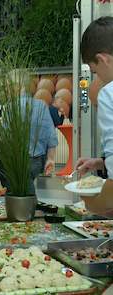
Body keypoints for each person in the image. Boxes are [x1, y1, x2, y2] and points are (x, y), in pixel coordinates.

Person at [74, 16, 113, 216]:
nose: (98, 78)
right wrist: (101, 162)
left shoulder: (109, 94)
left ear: (103, 59)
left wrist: (90, 203)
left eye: (95, 71)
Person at [0, 97, 58, 195]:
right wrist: (50, 158)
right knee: (24, 191)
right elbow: (51, 134)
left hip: (17, 160)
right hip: (37, 159)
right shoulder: (41, 105)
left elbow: (5, 136)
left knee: (20, 193)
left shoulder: (10, 106)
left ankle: (24, 208)